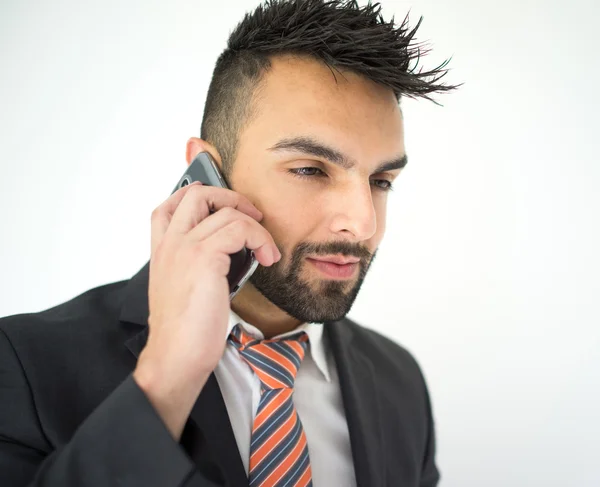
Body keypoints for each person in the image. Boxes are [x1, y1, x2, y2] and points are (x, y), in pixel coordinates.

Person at [0, 1, 461, 485]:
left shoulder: (400, 382)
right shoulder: (23, 364)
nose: (362, 223)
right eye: (309, 169)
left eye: (382, 180)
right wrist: (168, 374)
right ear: (208, 173)